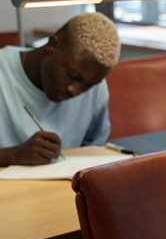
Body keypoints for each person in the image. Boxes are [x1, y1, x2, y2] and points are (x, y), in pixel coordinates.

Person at [0, 12, 120, 167]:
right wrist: (11, 156)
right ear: (53, 45)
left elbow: (94, 149)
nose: (75, 91)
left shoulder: (97, 89)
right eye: (72, 75)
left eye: (88, 85)